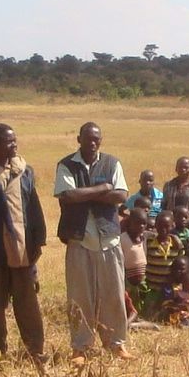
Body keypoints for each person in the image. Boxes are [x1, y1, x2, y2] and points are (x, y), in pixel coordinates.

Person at [0, 124, 50, 361]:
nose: (14, 145)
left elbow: (33, 207)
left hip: (22, 249)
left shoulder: (26, 171)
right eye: (8, 141)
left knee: (27, 303)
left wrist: (39, 241)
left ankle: (35, 349)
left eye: (15, 140)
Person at [54, 122, 133, 359]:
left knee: (114, 294)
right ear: (78, 139)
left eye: (96, 139)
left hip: (108, 239)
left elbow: (121, 195)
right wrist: (102, 189)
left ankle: (117, 344)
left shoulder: (112, 162)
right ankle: (81, 347)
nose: (92, 143)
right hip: (79, 239)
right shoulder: (67, 165)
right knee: (80, 297)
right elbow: (68, 196)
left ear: (101, 141)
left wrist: (85, 193)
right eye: (87, 138)